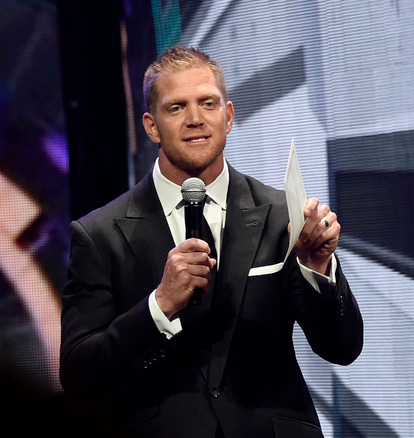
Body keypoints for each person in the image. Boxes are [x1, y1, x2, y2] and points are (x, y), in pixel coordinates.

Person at [60, 45, 363, 437]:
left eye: (208, 103)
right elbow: (80, 376)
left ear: (229, 115)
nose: (196, 119)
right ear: (151, 126)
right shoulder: (99, 234)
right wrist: (160, 306)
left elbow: (343, 348)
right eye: (176, 108)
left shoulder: (279, 214)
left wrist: (316, 268)